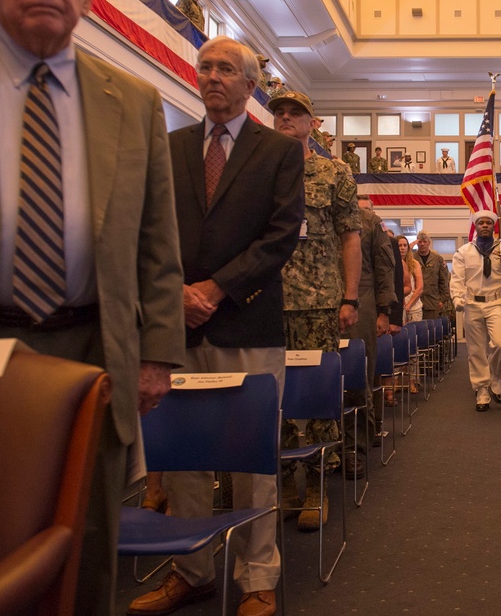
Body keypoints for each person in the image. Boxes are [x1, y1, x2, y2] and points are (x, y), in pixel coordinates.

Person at [0, 0, 185, 614]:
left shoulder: (131, 100)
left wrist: (159, 351)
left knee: (88, 542)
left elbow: (158, 244)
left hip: (95, 346)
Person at [128, 36, 304, 616]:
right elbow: (149, 229)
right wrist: (173, 293)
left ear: (250, 86)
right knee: (183, 463)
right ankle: (193, 569)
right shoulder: (171, 145)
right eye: (205, 67)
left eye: (226, 69)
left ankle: (258, 575)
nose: (212, 76)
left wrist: (216, 288)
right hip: (178, 327)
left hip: (247, 321)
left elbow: (280, 237)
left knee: (251, 459)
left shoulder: (278, 152)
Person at [269, 90, 362, 529]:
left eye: (295, 114)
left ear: (313, 123)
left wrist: (349, 297)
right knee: (273, 396)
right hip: (264, 302)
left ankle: (319, 486)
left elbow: (349, 237)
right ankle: (286, 481)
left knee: (319, 394)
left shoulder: (334, 172)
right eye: (279, 114)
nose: (286, 119)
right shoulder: (257, 168)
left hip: (319, 301)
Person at [450, 210, 501, 411]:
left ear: (493, 226)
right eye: (480, 222)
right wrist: (457, 297)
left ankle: (496, 374)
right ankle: (481, 389)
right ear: (475, 226)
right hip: (472, 305)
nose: (484, 225)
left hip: (496, 303)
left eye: (488, 223)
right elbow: (456, 279)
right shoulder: (464, 252)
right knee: (475, 350)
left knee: (499, 344)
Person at [344, 196, 395, 470]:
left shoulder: (370, 222)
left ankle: (355, 447)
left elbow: (384, 269)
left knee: (357, 376)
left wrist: (384, 311)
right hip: (320, 302)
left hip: (362, 299)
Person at [415, 231, 451, 320]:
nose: (422, 244)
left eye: (425, 241)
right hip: (415, 302)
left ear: (429, 243)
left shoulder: (437, 259)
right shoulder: (412, 259)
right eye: (420, 242)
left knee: (431, 330)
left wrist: (442, 300)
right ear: (417, 243)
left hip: (432, 302)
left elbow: (444, 280)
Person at [398, 235, 424, 328]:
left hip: (413, 309)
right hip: (398, 309)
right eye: (400, 245)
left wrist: (408, 305)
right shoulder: (391, 263)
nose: (402, 248)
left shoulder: (414, 263)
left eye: (405, 245)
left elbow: (420, 288)